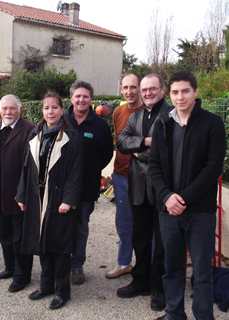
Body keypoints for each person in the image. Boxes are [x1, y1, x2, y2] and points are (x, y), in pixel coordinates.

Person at [149, 71, 226, 320]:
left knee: (203, 272)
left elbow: (212, 168)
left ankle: (204, 316)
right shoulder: (162, 123)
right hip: (168, 210)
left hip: (200, 211)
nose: (179, 97)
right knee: (171, 268)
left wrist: (183, 199)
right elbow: (154, 167)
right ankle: (174, 313)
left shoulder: (212, 123)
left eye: (185, 91)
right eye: (174, 92)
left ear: (196, 92)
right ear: (168, 94)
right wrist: (167, 197)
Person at [16, 92, 83, 310]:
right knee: (42, 243)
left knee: (60, 247)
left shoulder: (71, 138)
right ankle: (46, 285)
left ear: (62, 110)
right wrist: (22, 195)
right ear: (42, 111)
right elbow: (26, 168)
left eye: (55, 107)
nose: (50, 112)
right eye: (46, 108)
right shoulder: (35, 135)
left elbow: (76, 172)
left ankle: (63, 291)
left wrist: (68, 200)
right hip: (38, 199)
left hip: (59, 200)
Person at [116, 74, 171, 311]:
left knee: (162, 242)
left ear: (163, 90)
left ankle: (158, 287)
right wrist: (147, 142)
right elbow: (121, 142)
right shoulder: (135, 116)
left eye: (152, 89)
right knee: (139, 237)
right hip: (138, 188)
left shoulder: (171, 115)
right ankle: (140, 281)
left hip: (162, 189)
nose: (147, 93)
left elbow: (170, 151)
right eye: (145, 90)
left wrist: (139, 151)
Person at [0, 94, 36, 292]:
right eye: (4, 109)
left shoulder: (29, 129)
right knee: (4, 234)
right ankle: (10, 267)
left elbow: (32, 165)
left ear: (20, 109)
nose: (8, 112)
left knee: (20, 236)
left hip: (18, 196)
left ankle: (22, 276)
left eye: (12, 108)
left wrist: (24, 191)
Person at [65, 80, 113, 284]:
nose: (81, 99)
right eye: (78, 96)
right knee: (60, 225)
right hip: (63, 185)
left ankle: (77, 265)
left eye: (85, 96)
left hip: (87, 185)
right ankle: (60, 262)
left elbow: (106, 154)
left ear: (91, 99)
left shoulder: (100, 125)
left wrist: (92, 170)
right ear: (71, 98)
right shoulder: (62, 119)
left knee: (81, 226)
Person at [106, 72, 143, 279]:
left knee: (146, 223)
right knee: (123, 222)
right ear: (121, 89)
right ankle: (124, 263)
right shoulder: (118, 112)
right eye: (125, 87)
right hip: (121, 175)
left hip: (144, 177)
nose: (129, 91)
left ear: (139, 89)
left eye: (133, 87)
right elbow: (118, 142)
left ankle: (148, 264)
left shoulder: (148, 111)